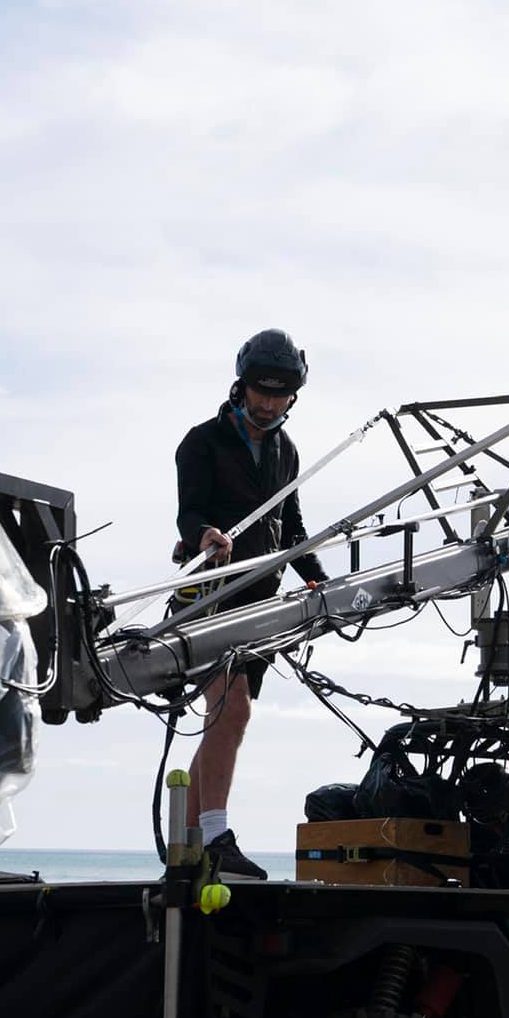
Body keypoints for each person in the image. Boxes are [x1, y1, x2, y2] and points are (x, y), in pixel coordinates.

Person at [172, 329, 329, 881]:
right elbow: (188, 515)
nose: (268, 404)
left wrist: (318, 579)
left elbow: (294, 527)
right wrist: (205, 534)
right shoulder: (201, 441)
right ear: (241, 386)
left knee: (225, 721)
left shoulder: (287, 452)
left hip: (262, 602)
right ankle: (218, 839)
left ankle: (188, 848)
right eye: (261, 392)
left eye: (279, 395)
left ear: (292, 397)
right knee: (232, 710)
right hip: (209, 595)